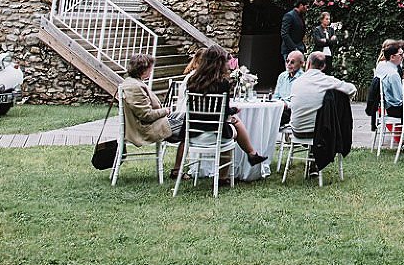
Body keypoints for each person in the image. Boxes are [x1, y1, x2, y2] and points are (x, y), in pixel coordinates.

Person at [182, 45, 270, 178]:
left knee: (232, 123)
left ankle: (251, 155)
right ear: (220, 63)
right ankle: (224, 176)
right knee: (230, 133)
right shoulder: (222, 83)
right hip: (214, 132)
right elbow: (224, 112)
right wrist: (234, 110)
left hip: (193, 132)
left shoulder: (192, 81)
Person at [119, 53, 184, 147]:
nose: (151, 71)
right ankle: (199, 155)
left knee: (186, 116)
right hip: (146, 130)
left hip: (153, 123)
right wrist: (165, 111)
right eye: (150, 68)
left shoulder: (133, 82)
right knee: (191, 123)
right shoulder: (134, 87)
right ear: (143, 69)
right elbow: (146, 115)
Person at [288, 51, 357, 134]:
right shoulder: (328, 81)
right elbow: (352, 89)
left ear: (308, 63)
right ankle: (341, 140)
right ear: (323, 66)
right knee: (340, 96)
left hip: (297, 130)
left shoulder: (296, 82)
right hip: (320, 133)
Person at [272, 49, 305, 124]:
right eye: (287, 61)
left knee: (271, 120)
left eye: (292, 62)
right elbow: (276, 96)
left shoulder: (303, 78)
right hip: (279, 107)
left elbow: (300, 102)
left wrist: (287, 105)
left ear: (301, 63)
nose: (288, 64)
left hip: (292, 111)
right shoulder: (282, 76)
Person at [379, 44, 404, 119]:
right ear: (392, 57)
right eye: (400, 54)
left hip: (390, 107)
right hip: (395, 109)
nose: (403, 56)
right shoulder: (393, 74)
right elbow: (399, 98)